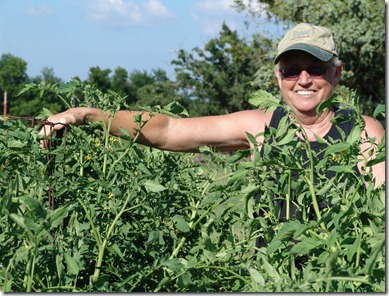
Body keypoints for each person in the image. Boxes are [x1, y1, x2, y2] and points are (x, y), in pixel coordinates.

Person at [39, 23, 385, 189]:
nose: (304, 80)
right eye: (292, 70)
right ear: (278, 77)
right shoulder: (261, 126)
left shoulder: (363, 132)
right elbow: (170, 130)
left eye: (317, 69)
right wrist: (84, 115)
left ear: (337, 74)